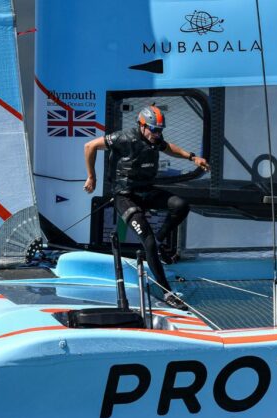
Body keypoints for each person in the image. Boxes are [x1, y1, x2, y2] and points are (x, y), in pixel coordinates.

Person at [83, 105, 210, 310]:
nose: (157, 134)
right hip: (125, 197)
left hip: (145, 192)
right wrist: (92, 176)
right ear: (142, 126)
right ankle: (167, 292)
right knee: (147, 242)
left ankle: (160, 241)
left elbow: (168, 147)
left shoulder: (156, 140)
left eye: (160, 130)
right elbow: (89, 146)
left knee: (181, 206)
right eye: (153, 129)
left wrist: (192, 157)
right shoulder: (124, 138)